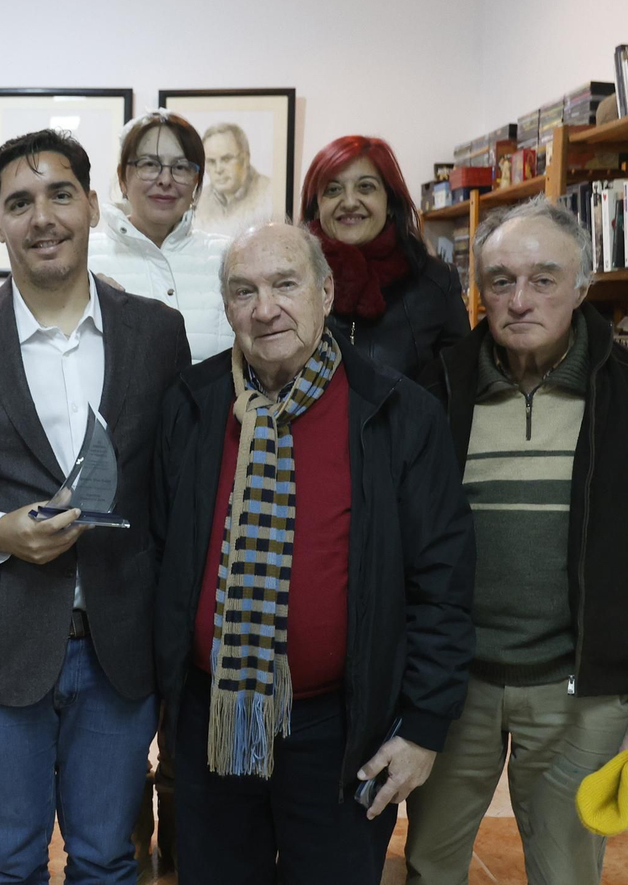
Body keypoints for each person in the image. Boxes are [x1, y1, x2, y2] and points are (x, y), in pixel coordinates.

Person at [0, 129, 190, 884]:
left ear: (92, 205)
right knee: (10, 858)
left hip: (118, 650)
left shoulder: (158, 333)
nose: (42, 216)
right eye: (19, 202)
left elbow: (176, 486)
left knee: (105, 856)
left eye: (60, 194)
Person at [151, 222, 477, 884]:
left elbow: (443, 584)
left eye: (285, 284)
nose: (264, 307)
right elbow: (159, 555)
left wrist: (422, 727)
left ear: (326, 293)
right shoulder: (190, 404)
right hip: (213, 722)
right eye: (244, 290)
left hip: (343, 728)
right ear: (227, 307)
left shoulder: (398, 412)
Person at [407, 199, 628, 885]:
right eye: (500, 280)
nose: (520, 300)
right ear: (477, 291)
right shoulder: (436, 390)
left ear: (582, 286)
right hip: (453, 686)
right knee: (428, 864)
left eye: (544, 279)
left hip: (581, 690)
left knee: (565, 871)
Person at [301, 136, 468, 381]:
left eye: (365, 187)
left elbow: (459, 390)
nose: (349, 202)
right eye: (333, 190)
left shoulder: (436, 283)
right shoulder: (292, 283)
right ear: (317, 206)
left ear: (389, 202)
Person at [88, 110, 233, 363]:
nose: (165, 180)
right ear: (123, 177)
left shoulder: (228, 257)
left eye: (180, 167)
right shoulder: (86, 261)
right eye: (149, 165)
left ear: (196, 181)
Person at [194, 123, 279, 238]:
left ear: (245, 159)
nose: (218, 169)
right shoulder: (198, 201)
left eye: (226, 159)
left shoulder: (271, 194)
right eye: (211, 162)